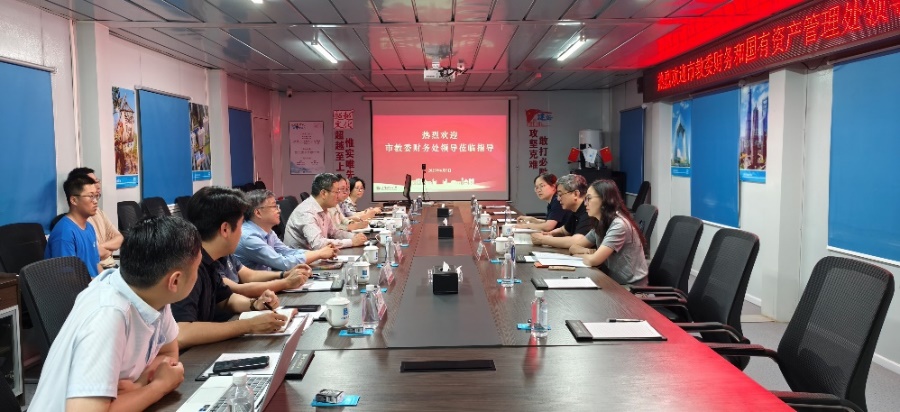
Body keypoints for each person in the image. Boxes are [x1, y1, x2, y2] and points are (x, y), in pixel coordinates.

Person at [29, 216, 200, 411]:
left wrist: (139, 385)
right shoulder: (108, 315)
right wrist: (158, 387)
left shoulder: (151, 292)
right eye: (197, 268)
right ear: (175, 281)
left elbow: (168, 355)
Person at [172, 186, 294, 350]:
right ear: (225, 229)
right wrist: (248, 325)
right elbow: (182, 333)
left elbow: (225, 300)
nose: (242, 233)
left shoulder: (210, 258)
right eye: (241, 225)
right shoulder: (188, 264)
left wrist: (255, 304)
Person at [235, 189, 338, 272]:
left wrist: (319, 253)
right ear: (258, 213)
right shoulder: (249, 237)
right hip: (256, 288)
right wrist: (318, 254)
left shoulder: (267, 230)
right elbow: (283, 263)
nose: (279, 210)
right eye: (274, 206)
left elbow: (287, 251)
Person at [569, 179, 648, 286]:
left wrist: (577, 255)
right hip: (612, 281)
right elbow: (573, 247)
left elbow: (594, 260)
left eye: (589, 198)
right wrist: (587, 252)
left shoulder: (618, 225)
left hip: (631, 288)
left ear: (604, 199)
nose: (585, 203)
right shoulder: (601, 222)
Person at [284, 173, 367, 250]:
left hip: (316, 255)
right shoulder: (306, 212)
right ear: (323, 193)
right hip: (301, 259)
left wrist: (354, 236)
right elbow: (318, 244)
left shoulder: (324, 208)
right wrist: (351, 242)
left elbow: (333, 232)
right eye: (336, 192)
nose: (338, 195)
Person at [46, 175, 102, 277]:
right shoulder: (64, 233)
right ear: (74, 200)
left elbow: (96, 264)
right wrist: (97, 284)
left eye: (96, 196)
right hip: (78, 286)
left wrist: (107, 282)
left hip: (93, 284)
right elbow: (68, 278)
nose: (95, 201)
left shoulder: (89, 227)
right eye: (91, 196)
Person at [68, 167, 124, 269]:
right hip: (97, 271)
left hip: (109, 268)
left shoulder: (97, 214)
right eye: (92, 182)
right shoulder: (71, 228)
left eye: (97, 181)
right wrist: (102, 250)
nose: (97, 185)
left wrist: (101, 249)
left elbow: (119, 239)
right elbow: (94, 257)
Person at [530, 174, 593, 249]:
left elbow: (577, 241)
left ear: (576, 194)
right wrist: (549, 234)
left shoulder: (588, 211)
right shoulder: (575, 211)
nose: (558, 199)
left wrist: (543, 239)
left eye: (560, 194)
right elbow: (564, 230)